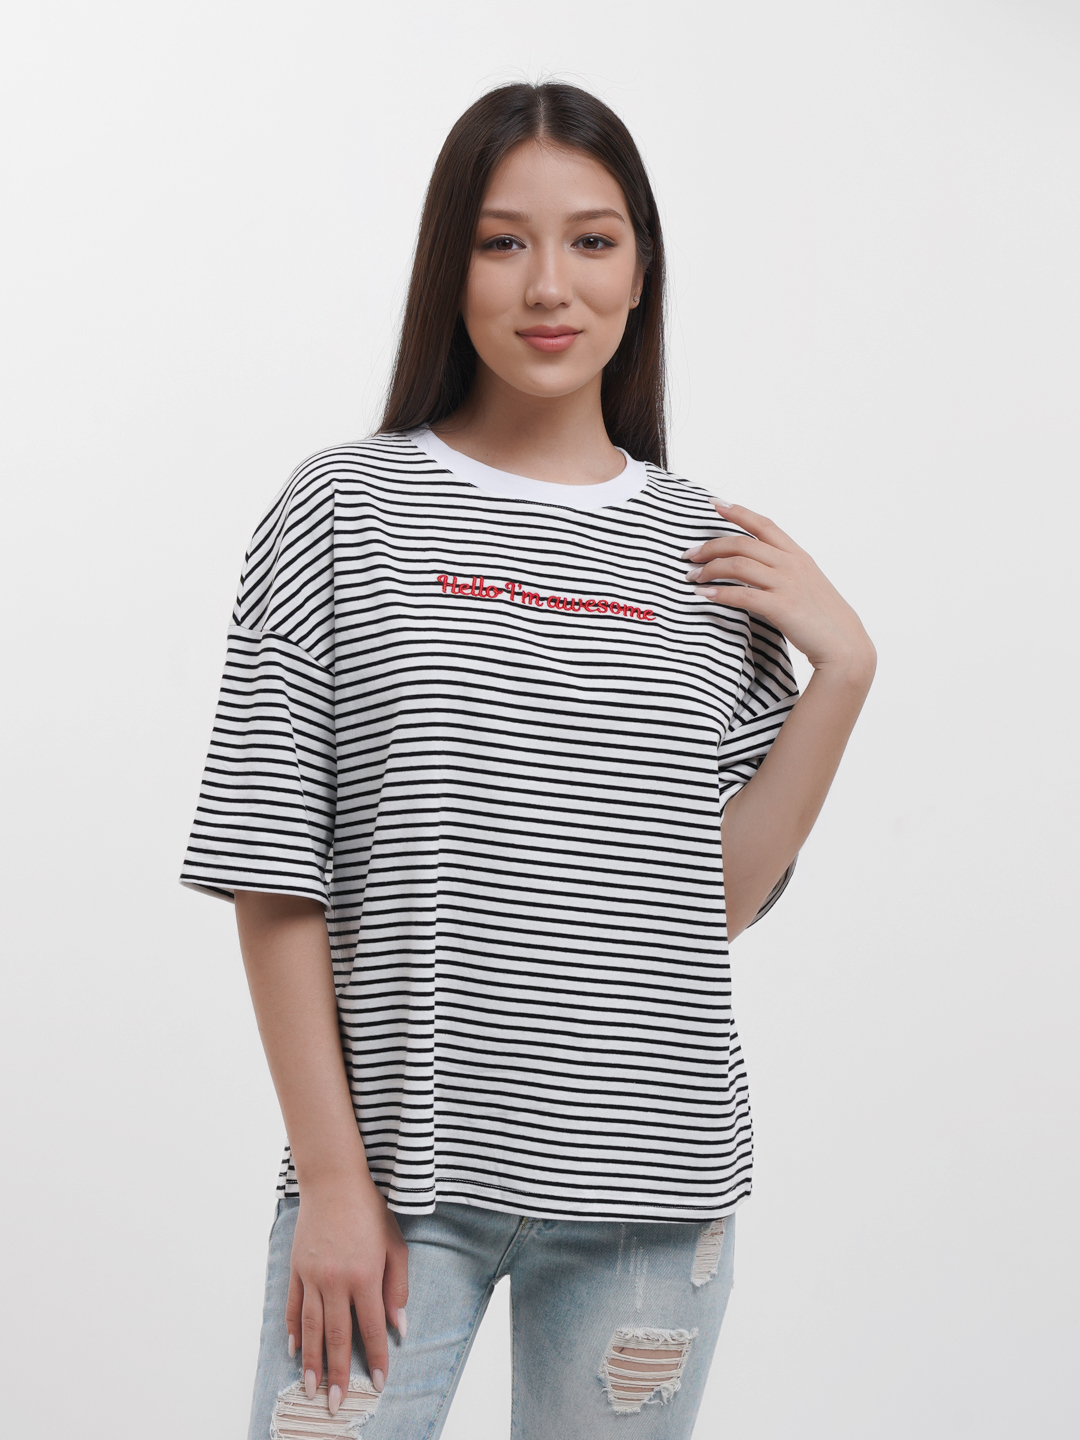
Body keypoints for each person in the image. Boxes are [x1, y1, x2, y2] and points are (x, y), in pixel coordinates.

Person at [181, 81, 875, 1440]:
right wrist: (333, 1182)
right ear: (450, 267)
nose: (549, 284)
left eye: (591, 241)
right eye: (502, 242)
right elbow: (271, 871)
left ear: (641, 270)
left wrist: (842, 679)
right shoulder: (344, 507)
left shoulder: (707, 554)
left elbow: (712, 902)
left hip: (655, 1191)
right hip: (397, 1184)